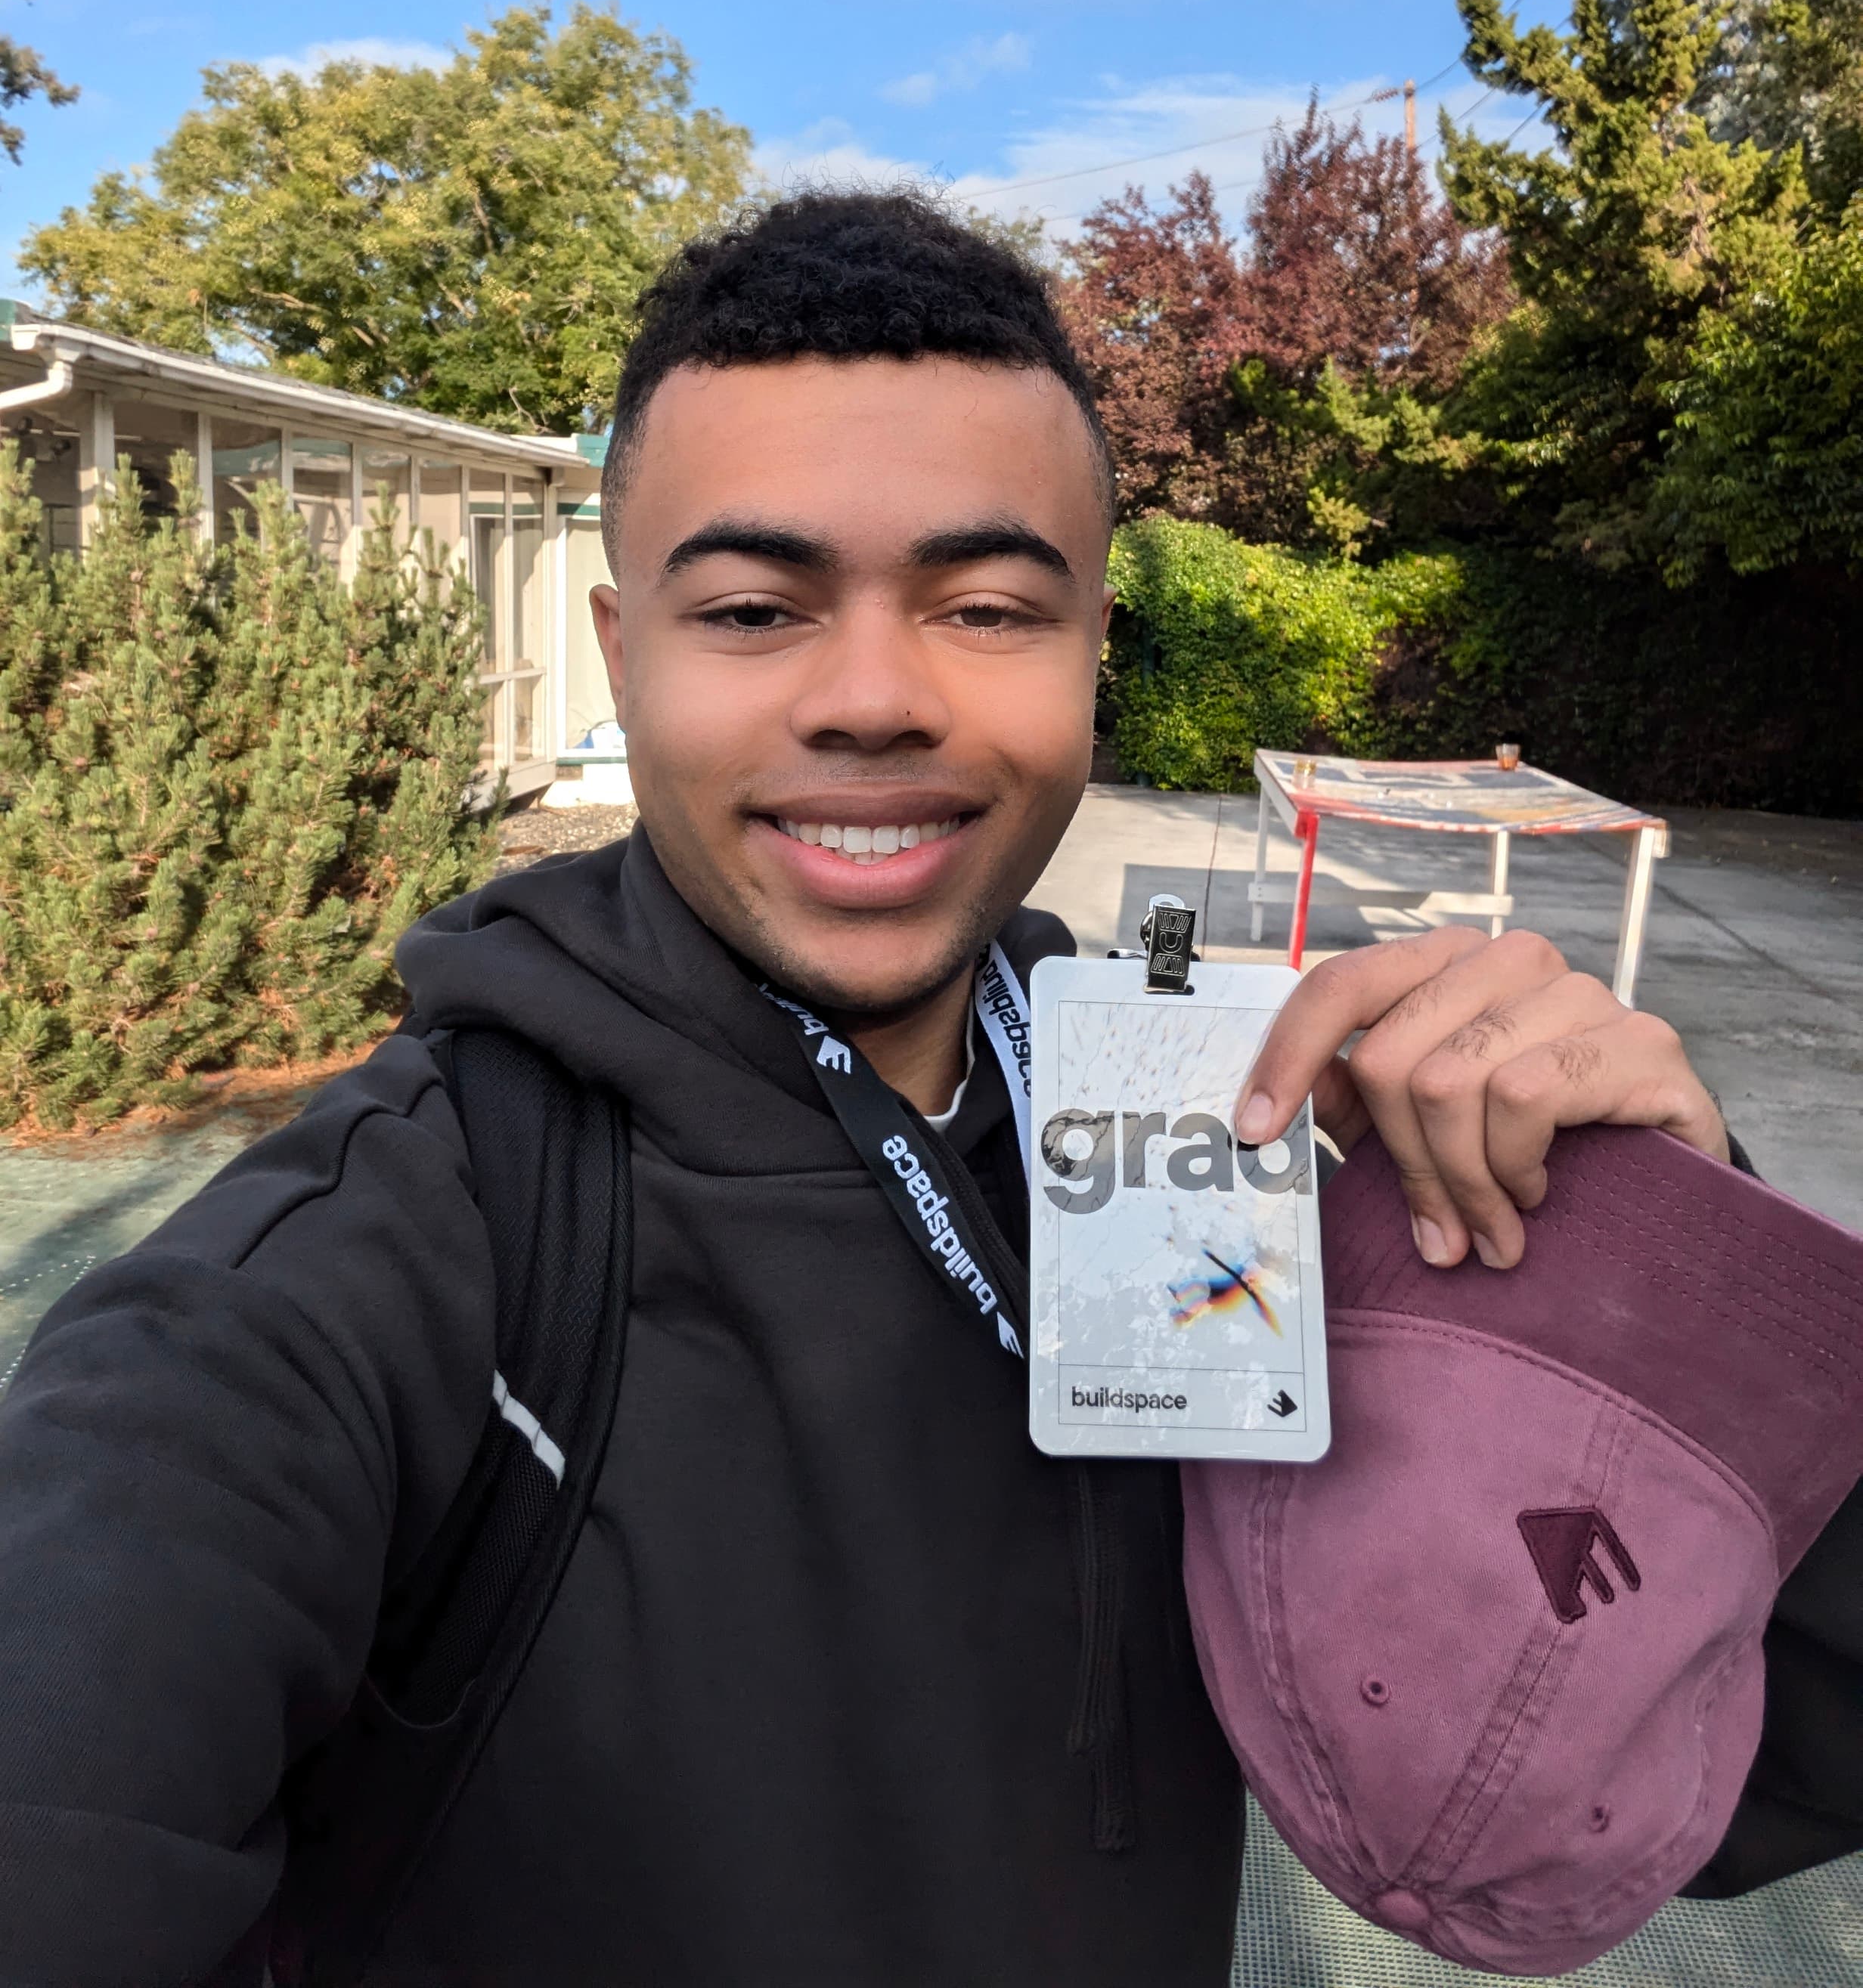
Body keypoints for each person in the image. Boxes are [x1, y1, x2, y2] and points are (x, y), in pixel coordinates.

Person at [0, 192, 1852, 1986]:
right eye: (749, 608)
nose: (874, 696)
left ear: (1094, 644)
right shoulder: (386, 1266)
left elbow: (1747, 1748)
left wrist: (1665, 1265)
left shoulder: (1235, 1134)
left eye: (983, 604)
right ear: (619, 647)